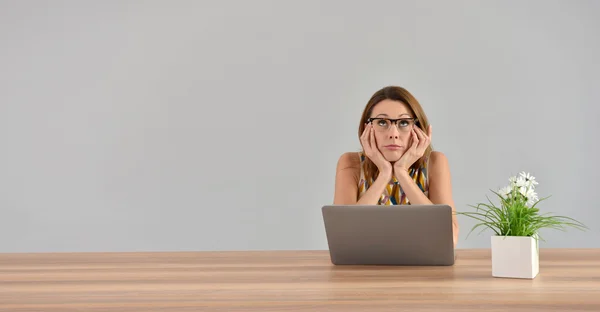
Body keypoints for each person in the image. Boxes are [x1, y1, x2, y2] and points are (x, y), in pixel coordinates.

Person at [333, 85, 459, 247]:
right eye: (382, 122)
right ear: (367, 129)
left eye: (404, 123)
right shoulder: (351, 163)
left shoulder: (435, 162)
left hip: (424, 269)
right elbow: (342, 238)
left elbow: (449, 238)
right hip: (364, 269)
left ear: (419, 128)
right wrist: (384, 173)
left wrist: (401, 172)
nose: (393, 133)